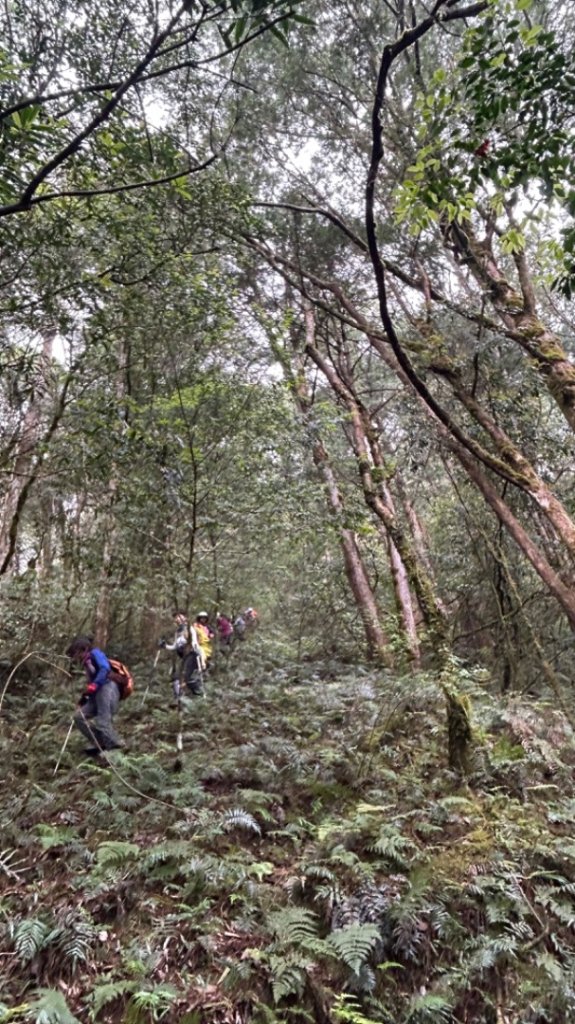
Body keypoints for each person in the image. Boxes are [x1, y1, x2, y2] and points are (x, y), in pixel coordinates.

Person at [67, 636, 124, 755]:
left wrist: (94, 685)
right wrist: (83, 699)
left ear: (84, 649)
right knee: (78, 717)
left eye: (77, 653)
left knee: (102, 720)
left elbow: (105, 668)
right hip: (95, 694)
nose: (76, 657)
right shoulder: (86, 663)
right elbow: (91, 684)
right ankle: (100, 742)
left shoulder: (95, 653)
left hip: (107, 688)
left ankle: (113, 748)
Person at [159, 610, 205, 697]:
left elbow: (195, 644)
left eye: (179, 616)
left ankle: (199, 695)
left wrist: (202, 660)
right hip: (184, 657)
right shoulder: (178, 632)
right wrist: (164, 646)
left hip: (192, 656)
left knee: (188, 678)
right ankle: (178, 699)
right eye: (176, 617)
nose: (177, 619)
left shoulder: (189, 629)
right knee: (176, 677)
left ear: (185, 617)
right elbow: (175, 646)